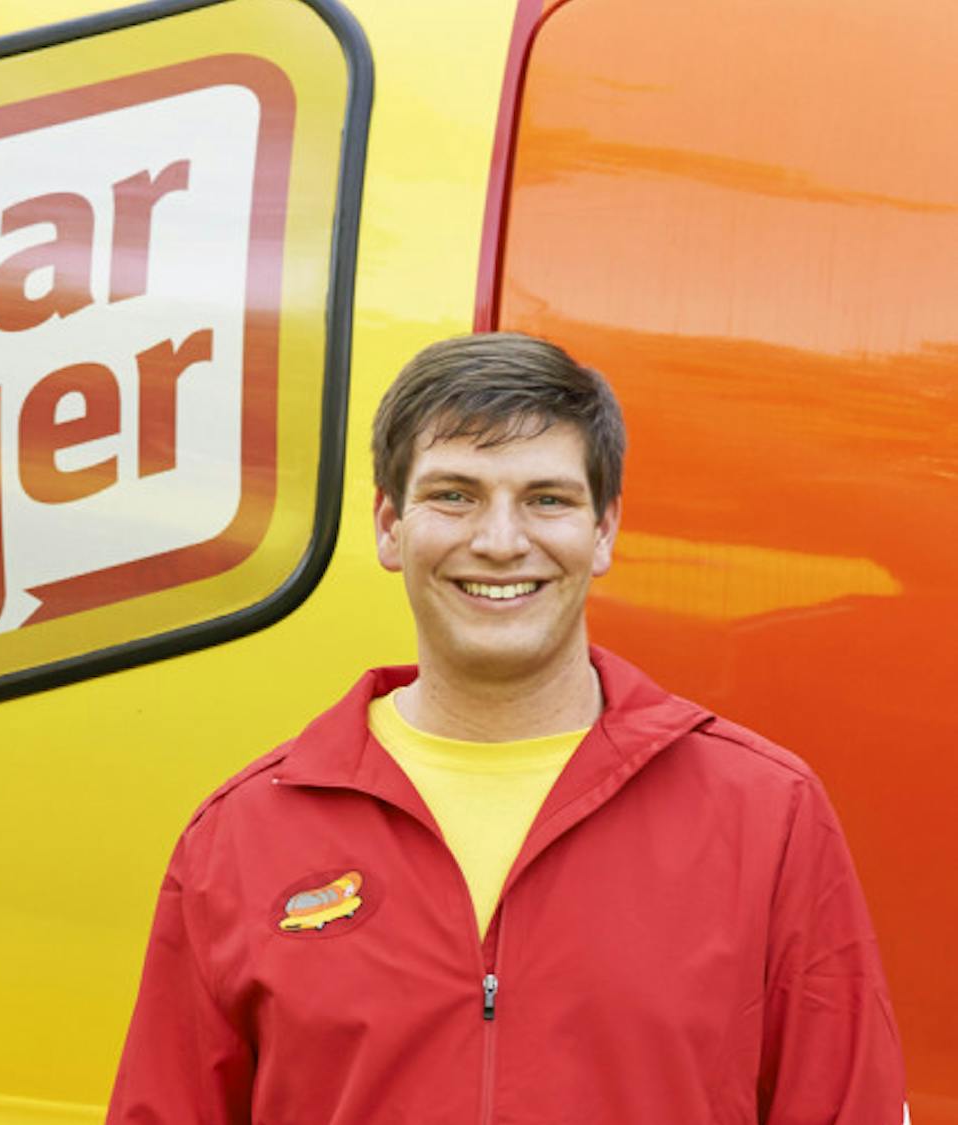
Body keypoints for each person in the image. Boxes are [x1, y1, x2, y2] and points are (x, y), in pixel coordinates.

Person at [105, 332, 906, 1124]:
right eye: (454, 495)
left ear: (603, 531)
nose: (499, 542)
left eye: (546, 499)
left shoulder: (766, 815)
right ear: (389, 525)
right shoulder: (241, 837)